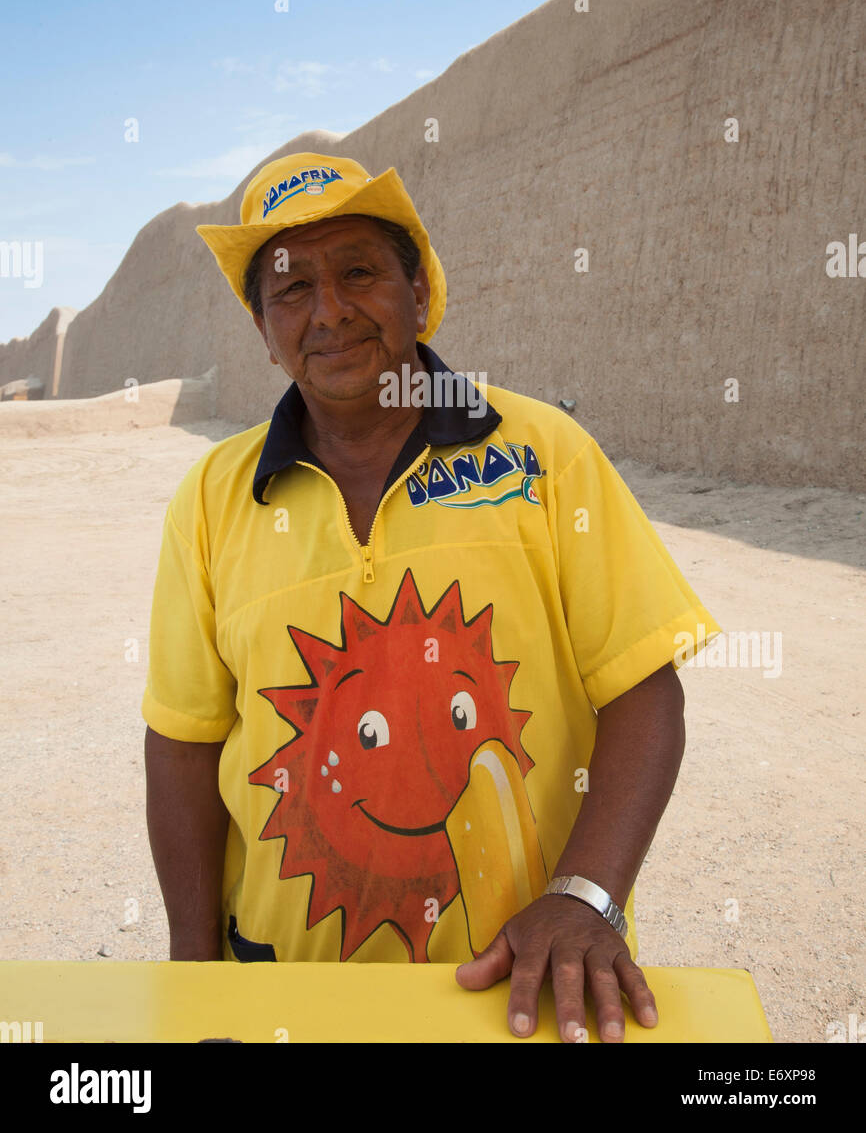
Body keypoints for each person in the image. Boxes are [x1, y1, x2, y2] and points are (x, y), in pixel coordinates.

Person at [143, 150, 722, 1044]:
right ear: (263, 328)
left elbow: (644, 691)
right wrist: (195, 981)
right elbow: (184, 745)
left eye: (360, 273)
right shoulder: (212, 502)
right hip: (283, 998)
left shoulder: (542, 454)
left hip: (518, 990)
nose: (329, 310)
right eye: (291, 290)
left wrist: (585, 901)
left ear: (420, 291)